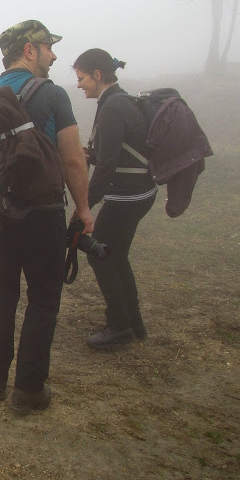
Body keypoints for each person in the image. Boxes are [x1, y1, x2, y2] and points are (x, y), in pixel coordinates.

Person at [0, 20, 93, 414]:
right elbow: (74, 158)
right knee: (43, 298)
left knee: (0, 292)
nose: (54, 55)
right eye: (48, 47)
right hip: (41, 214)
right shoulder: (52, 94)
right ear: (30, 50)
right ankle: (28, 389)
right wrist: (83, 209)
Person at [73, 48, 157, 350]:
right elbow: (115, 151)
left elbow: (107, 165)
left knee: (101, 254)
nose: (79, 84)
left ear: (97, 75)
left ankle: (120, 326)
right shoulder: (120, 101)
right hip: (140, 192)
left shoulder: (112, 107)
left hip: (126, 196)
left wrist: (84, 206)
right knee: (115, 255)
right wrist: (90, 155)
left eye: (82, 78)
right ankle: (133, 322)